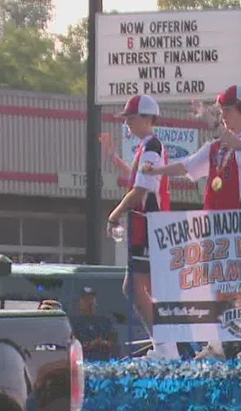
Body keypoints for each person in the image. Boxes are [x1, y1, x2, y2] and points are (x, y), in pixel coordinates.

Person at [146, 85, 241, 359]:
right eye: (222, 110)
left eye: (229, 110)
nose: (225, 115)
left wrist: (214, 123)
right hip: (212, 225)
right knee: (212, 285)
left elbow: (237, 143)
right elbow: (187, 166)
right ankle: (216, 345)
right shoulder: (213, 148)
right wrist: (158, 170)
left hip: (239, 222)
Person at [105, 94, 176, 359]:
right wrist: (114, 157)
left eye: (132, 118)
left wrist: (115, 213)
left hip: (148, 222)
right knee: (144, 289)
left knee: (136, 288)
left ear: (147, 118)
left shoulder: (152, 147)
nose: (128, 124)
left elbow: (142, 188)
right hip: (145, 223)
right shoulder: (147, 147)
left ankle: (165, 347)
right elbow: (138, 179)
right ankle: (166, 346)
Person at [69, 287, 116, 361]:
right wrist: (90, 344)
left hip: (103, 363)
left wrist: (103, 343)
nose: (89, 302)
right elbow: (71, 345)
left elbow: (114, 342)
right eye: (86, 300)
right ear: (80, 302)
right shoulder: (73, 323)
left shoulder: (104, 321)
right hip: (81, 363)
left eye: (91, 299)